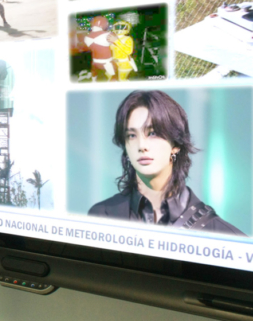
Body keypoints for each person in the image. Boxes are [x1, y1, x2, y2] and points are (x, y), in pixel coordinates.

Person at [88, 90, 246, 236]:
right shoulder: (102, 216)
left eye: (152, 133)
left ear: (176, 144)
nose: (142, 146)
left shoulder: (223, 235)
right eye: (132, 135)